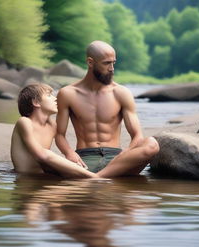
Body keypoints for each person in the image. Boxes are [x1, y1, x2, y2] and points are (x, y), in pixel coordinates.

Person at [56, 40, 159, 176]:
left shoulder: (121, 93)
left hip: (117, 158)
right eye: (106, 63)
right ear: (90, 62)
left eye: (113, 62)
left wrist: (124, 155)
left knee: (152, 144)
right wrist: (69, 154)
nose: (112, 68)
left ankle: (96, 178)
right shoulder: (68, 93)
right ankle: (104, 177)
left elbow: (137, 135)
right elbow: (59, 134)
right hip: (85, 158)